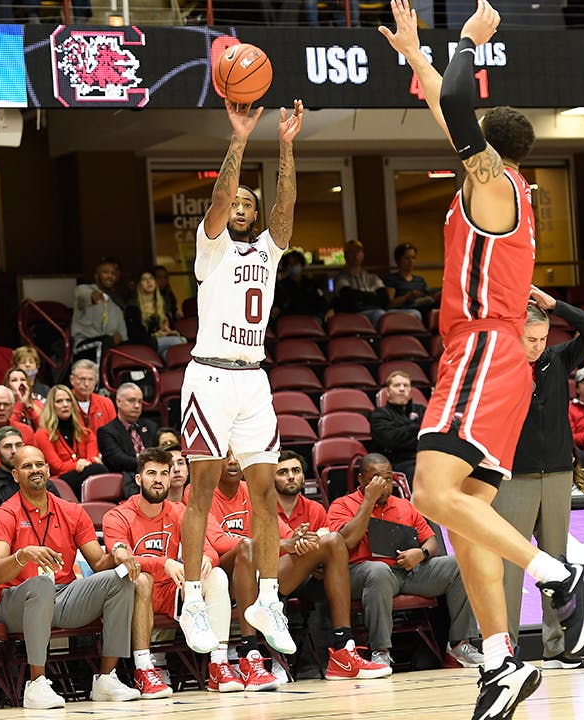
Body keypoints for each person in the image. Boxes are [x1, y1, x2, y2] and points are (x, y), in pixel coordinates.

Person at [380, 2, 584, 715]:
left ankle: (558, 576)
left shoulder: (491, 184)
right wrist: (415, 55)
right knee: (462, 510)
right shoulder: (500, 185)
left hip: (481, 348)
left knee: (428, 494)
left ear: (486, 149)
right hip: (488, 357)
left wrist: (466, 45)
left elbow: (453, 101)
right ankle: (501, 662)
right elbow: (449, 113)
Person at [178, 94, 304, 658]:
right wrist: (239, 138)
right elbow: (222, 194)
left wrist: (284, 146)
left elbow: (287, 208)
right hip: (209, 377)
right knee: (202, 493)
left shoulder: (269, 252)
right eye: (236, 202)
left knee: (266, 496)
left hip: (254, 379)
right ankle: (191, 600)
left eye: (250, 203)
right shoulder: (211, 248)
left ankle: (268, 599)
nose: (242, 207)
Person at [493, 290, 584, 670]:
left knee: (557, 563)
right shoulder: (499, 366)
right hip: (515, 476)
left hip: (557, 474)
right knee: (510, 565)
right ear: (514, 336)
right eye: (531, 339)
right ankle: (505, 651)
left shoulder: (558, 358)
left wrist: (555, 305)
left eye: (543, 339)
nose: (538, 347)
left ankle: (556, 646)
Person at [208, 455, 392, 684]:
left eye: (237, 455)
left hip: (266, 574)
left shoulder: (251, 488)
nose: (233, 461)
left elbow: (280, 531)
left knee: (332, 541)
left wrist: (298, 540)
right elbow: (217, 542)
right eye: (226, 456)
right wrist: (282, 544)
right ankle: (249, 655)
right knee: (248, 547)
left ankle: (343, 649)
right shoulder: (199, 492)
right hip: (225, 580)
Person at [0, 445, 138, 708]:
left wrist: (118, 553)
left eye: (39, 464)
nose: (35, 470)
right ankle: (36, 684)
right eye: (27, 466)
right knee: (42, 583)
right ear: (14, 475)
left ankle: (106, 678)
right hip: (14, 603)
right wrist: (22, 555)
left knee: (120, 578)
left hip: (63, 596)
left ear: (47, 469)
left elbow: (99, 563)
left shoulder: (72, 511)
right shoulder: (4, 514)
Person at [101, 447, 230, 698]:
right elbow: (124, 558)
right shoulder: (117, 515)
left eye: (163, 473)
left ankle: (219, 663)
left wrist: (207, 557)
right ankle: (143, 669)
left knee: (217, 576)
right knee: (141, 579)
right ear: (139, 479)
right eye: (151, 473)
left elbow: (210, 549)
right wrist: (163, 563)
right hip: (134, 594)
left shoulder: (179, 511)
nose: (158, 479)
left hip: (172, 590)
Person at [327, 453, 473, 669]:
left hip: (407, 571)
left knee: (460, 565)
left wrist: (420, 553)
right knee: (378, 571)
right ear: (361, 480)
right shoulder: (342, 505)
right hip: (362, 573)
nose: (383, 485)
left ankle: (459, 647)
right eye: (376, 479)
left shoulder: (404, 505)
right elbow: (347, 541)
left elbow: (431, 540)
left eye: (387, 479)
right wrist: (369, 501)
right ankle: (380, 651)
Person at [0, 426, 59, 534]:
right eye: (8, 446)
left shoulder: (44, 483)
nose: (14, 451)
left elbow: (60, 522)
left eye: (18, 445)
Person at [33, 385, 107, 497]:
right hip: (58, 482)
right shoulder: (42, 435)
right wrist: (77, 464)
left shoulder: (86, 433)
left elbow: (94, 460)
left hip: (84, 475)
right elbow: (57, 467)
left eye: (68, 400)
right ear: (51, 406)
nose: (65, 405)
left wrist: (87, 462)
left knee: (99, 470)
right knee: (98, 469)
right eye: (59, 401)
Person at [96, 383, 159, 492]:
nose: (137, 405)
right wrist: (149, 462)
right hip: (128, 481)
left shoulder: (151, 427)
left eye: (140, 401)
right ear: (118, 402)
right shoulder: (106, 431)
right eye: (132, 401)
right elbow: (117, 460)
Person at [71, 257, 129, 369]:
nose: (110, 276)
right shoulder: (83, 289)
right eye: (105, 272)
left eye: (113, 273)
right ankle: (101, 385)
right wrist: (93, 296)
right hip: (83, 346)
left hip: (107, 347)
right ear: (97, 276)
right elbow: (84, 295)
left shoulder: (117, 308)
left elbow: (123, 337)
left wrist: (119, 338)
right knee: (106, 341)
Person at [368, 370, 425, 482]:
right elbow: (390, 441)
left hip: (424, 458)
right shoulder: (379, 414)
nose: (402, 389)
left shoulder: (421, 410)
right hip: (398, 462)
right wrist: (417, 428)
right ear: (388, 392)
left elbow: (430, 434)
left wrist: (402, 430)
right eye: (397, 385)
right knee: (418, 473)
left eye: (406, 385)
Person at [128, 270, 186, 359]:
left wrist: (170, 332)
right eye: (144, 279)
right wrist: (156, 335)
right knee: (179, 341)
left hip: (162, 343)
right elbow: (135, 336)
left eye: (151, 278)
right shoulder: (133, 308)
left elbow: (168, 327)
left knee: (169, 354)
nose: (148, 282)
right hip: (146, 344)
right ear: (139, 285)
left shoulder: (162, 304)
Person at [331, 239, 389, 325]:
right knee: (379, 315)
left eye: (358, 252)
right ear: (345, 256)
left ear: (363, 255)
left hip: (375, 310)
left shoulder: (372, 277)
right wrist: (372, 296)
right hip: (354, 314)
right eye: (351, 252)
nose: (355, 255)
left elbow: (384, 298)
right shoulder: (341, 277)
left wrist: (361, 297)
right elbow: (348, 296)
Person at [273, 250, 330, 321]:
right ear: (286, 266)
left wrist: (328, 310)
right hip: (289, 321)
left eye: (295, 263)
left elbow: (322, 302)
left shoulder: (310, 283)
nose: (293, 266)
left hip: (313, 319)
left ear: (301, 264)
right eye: (290, 264)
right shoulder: (282, 285)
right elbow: (278, 306)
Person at [384, 242, 437, 319]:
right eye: (407, 258)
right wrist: (407, 296)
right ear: (398, 260)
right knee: (417, 313)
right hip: (403, 310)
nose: (411, 261)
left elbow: (428, 297)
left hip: (421, 307)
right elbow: (389, 304)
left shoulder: (420, 280)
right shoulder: (391, 279)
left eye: (413, 258)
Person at [69, 360, 115, 433]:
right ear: (72, 380)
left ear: (96, 382)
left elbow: (114, 433)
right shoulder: (62, 402)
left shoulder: (106, 403)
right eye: (82, 379)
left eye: (91, 379)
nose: (86, 384)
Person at [7, 367, 44, 432]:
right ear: (8, 385)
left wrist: (29, 406)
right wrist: (20, 403)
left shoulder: (37, 403)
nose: (20, 383)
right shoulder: (3, 405)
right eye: (14, 380)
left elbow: (44, 428)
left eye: (23, 379)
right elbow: (9, 430)